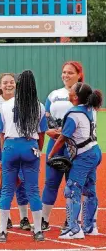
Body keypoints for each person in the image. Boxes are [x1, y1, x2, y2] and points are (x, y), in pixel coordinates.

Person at [0, 70, 47, 242]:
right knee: (33, 190)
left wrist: (4, 154)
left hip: (10, 147)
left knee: (7, 190)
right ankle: (38, 231)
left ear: (18, 85)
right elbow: (41, 134)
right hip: (30, 147)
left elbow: (1, 134)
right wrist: (37, 150)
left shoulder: (5, 105)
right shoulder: (39, 106)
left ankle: (2, 232)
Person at [48, 82, 102, 239]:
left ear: (76, 97)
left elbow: (63, 138)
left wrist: (51, 154)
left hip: (84, 155)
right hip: (94, 151)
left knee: (72, 190)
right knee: (89, 190)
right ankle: (90, 226)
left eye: (71, 90)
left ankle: (73, 229)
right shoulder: (90, 108)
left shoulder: (73, 113)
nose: (69, 91)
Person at [0, 73, 30, 230]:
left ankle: (24, 218)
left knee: (21, 180)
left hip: (17, 144)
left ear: (16, 85)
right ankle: (6, 217)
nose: (8, 85)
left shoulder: (22, 102)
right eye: (5, 82)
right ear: (0, 85)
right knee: (1, 180)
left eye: (11, 82)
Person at [42, 61, 84, 231]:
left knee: (73, 184)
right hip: (55, 143)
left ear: (79, 75)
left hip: (75, 146)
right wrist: (49, 130)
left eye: (70, 72)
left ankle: (72, 220)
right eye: (64, 72)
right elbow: (45, 116)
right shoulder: (54, 94)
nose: (66, 75)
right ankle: (44, 220)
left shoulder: (84, 94)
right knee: (51, 182)